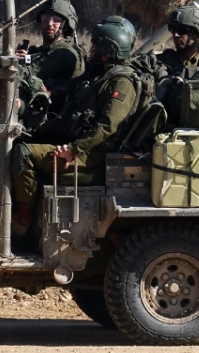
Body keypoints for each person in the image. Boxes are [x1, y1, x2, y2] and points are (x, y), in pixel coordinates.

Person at [10, 19, 141, 237]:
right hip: (77, 143)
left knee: (23, 154)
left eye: (96, 47)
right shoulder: (97, 75)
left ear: (107, 52)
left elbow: (107, 126)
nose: (92, 50)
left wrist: (75, 149)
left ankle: (23, 217)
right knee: (20, 141)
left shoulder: (121, 83)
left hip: (92, 155)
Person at [17, 0, 85, 112]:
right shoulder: (44, 50)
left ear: (66, 25)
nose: (49, 23)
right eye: (45, 18)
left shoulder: (64, 53)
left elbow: (33, 70)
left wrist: (21, 60)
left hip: (53, 116)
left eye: (56, 20)